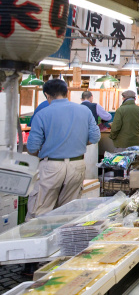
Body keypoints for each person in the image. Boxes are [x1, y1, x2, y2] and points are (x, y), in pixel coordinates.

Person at [26, 79, 100, 218]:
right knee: (68, 212)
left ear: (47, 95)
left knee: (40, 211)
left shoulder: (42, 114)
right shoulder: (84, 111)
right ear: (67, 93)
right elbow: (95, 137)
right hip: (77, 165)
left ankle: (41, 233)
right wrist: (77, 143)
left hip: (51, 166)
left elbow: (32, 147)